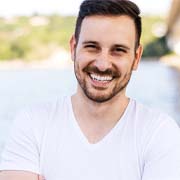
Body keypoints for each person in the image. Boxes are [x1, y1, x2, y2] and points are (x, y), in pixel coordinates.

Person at [0, 0, 180, 179]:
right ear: (73, 48)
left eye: (118, 50)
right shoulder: (32, 124)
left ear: (136, 57)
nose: (102, 65)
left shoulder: (159, 133)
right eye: (92, 47)